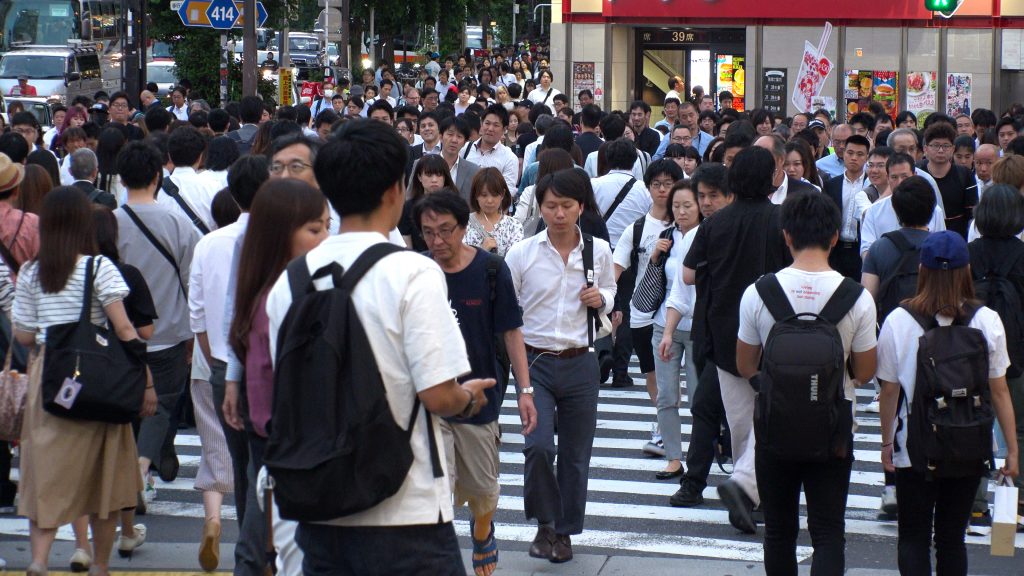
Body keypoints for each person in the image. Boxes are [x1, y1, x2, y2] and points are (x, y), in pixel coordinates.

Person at [264, 118, 493, 574]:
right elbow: (439, 394)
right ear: (395, 189)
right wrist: (469, 399)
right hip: (406, 507)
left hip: (319, 503)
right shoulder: (413, 272)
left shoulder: (289, 281)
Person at [14, 186, 156, 576]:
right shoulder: (99, 268)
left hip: (49, 378)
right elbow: (125, 328)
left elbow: (24, 336)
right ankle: (101, 564)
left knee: (45, 469)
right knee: (104, 476)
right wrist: (143, 378)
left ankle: (40, 560)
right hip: (97, 375)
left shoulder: (31, 271)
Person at [736, 191, 877, 575]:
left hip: (774, 425)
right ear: (835, 237)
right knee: (828, 531)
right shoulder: (857, 298)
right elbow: (865, 371)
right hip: (833, 427)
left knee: (779, 532)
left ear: (787, 236)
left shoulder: (759, 292)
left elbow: (746, 363)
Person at [878, 230, 1019, 576]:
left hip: (916, 446)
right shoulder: (986, 321)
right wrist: (1012, 451)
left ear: (921, 270)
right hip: (968, 442)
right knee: (951, 538)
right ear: (966, 270)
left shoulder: (899, 320)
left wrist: (886, 443)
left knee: (912, 536)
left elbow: (889, 391)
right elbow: (999, 391)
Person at [414, 190, 535, 576]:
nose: (437, 242)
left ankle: (483, 532)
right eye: (428, 233)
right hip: (430, 400)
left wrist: (525, 391)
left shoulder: (490, 269)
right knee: (437, 493)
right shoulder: (416, 271)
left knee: (484, 493)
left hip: (480, 398)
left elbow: (511, 333)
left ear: (463, 229)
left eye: (445, 231)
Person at [505, 167, 616, 564]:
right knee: (537, 448)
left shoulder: (598, 250)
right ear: (540, 207)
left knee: (574, 455)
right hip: (536, 362)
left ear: (580, 207)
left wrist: (600, 298)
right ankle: (543, 525)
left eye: (567, 205)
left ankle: (564, 533)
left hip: (581, 361)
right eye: (551, 206)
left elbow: (611, 292)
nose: (559, 214)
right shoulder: (522, 253)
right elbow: (509, 313)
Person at [682, 147, 791, 533]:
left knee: (742, 423)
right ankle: (750, 491)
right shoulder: (781, 219)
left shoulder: (714, 225)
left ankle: (748, 492)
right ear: (770, 178)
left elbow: (689, 274)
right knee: (773, 422)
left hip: (725, 335)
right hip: (775, 337)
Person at [114, 141, 200, 514]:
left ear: (120, 178)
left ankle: (136, 467)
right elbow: (191, 282)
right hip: (170, 329)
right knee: (162, 404)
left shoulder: (110, 224)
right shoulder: (178, 223)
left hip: (123, 333)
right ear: (158, 176)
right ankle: (143, 467)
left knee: (128, 405)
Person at [665, 163, 735, 507]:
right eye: (702, 196)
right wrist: (667, 331)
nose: (706, 203)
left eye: (713, 196)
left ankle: (750, 484)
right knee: (704, 408)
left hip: (744, 338)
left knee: (741, 413)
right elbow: (683, 284)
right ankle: (694, 482)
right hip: (708, 336)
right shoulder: (698, 234)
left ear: (730, 196)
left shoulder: (736, 228)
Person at [92, 205, 157, 559]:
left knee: (84, 458)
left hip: (76, 377)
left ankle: (83, 545)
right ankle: (127, 529)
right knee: (122, 454)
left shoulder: (66, 272)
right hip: (121, 376)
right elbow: (143, 331)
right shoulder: (126, 273)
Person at [967, 183, 1024, 523]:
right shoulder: (1022, 253)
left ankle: (974, 500)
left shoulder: (969, 252)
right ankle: (1018, 499)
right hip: (1017, 351)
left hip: (972, 350)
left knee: (974, 421)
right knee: (1018, 426)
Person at [613, 160, 682, 443]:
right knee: (651, 371)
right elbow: (615, 270)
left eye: (668, 184)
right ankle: (663, 424)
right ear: (648, 187)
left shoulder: (689, 223)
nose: (662, 190)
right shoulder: (637, 228)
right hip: (644, 312)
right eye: (656, 184)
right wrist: (610, 303)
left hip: (682, 312)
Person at [647, 179, 702, 479]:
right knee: (666, 395)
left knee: (697, 397)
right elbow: (655, 281)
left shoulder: (706, 235)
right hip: (662, 322)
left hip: (696, 326)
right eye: (676, 206)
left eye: (687, 205)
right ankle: (673, 457)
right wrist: (656, 256)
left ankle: (700, 453)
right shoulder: (666, 236)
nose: (681, 211)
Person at [822, 134, 871, 279]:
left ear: (867, 157)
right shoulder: (831, 184)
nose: (854, 158)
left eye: (860, 154)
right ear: (843, 154)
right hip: (835, 250)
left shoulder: (872, 185)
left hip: (860, 250)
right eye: (850, 153)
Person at [920, 122, 977, 239]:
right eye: (935, 145)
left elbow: (972, 214)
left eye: (946, 146)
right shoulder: (918, 173)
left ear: (953, 149)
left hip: (957, 238)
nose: (941, 150)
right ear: (926, 149)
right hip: (924, 238)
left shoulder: (965, 175)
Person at [401, 154, 457, 251]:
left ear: (445, 177)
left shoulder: (455, 205)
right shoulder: (408, 207)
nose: (434, 180)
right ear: (419, 177)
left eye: (439, 175)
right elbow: (406, 243)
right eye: (429, 175)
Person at [464, 167, 523, 257]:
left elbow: (515, 262)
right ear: (476, 194)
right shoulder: (463, 223)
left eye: (495, 195)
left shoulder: (514, 226)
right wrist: (482, 252)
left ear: (502, 194)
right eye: (484, 195)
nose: (490, 200)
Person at [464, 104, 519, 193]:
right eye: (487, 123)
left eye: (496, 125)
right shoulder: (465, 149)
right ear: (481, 124)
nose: (490, 129)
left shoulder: (509, 158)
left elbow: (507, 193)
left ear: (504, 129)